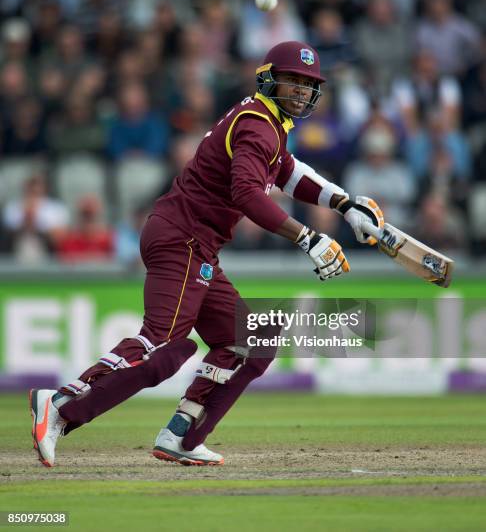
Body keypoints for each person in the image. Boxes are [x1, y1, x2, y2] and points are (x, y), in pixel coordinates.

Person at [29, 41, 384, 467]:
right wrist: (309, 238)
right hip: (184, 238)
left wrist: (344, 204)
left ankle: (182, 433)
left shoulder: (267, 122)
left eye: (310, 85)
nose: (304, 92)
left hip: (195, 243)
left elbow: (289, 174)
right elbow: (249, 195)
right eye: (295, 81)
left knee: (252, 340)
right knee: (161, 345)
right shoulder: (257, 124)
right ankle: (62, 403)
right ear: (270, 80)